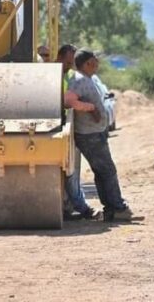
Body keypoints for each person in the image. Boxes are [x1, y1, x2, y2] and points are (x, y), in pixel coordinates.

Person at [68, 49, 133, 222]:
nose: (98, 64)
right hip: (90, 135)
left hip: (93, 133)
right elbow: (69, 100)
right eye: (95, 61)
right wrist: (90, 108)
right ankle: (118, 207)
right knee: (108, 170)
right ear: (88, 63)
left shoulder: (85, 79)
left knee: (102, 171)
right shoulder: (79, 80)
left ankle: (111, 208)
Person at [58, 44, 97, 220]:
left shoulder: (69, 77)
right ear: (59, 58)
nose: (70, 66)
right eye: (68, 62)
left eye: (72, 63)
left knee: (71, 171)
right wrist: (90, 107)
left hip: (66, 126)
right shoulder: (53, 76)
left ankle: (70, 206)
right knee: (70, 172)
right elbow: (67, 101)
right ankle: (81, 207)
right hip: (60, 126)